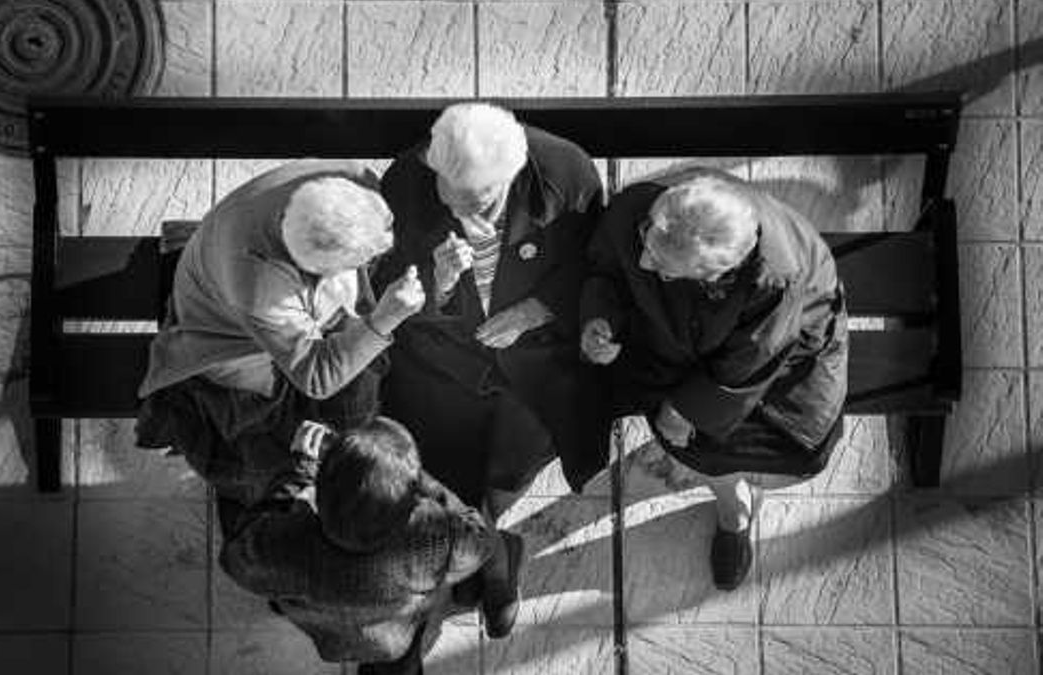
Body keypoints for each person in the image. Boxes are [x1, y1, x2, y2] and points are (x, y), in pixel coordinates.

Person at [580, 168, 848, 590]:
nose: (646, 262)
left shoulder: (773, 275)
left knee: (770, 443)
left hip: (783, 346)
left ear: (716, 275)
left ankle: (734, 514)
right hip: (685, 335)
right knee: (687, 440)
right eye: (647, 245)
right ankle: (730, 506)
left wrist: (688, 408)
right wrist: (599, 316)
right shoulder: (642, 212)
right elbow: (605, 270)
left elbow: (755, 356)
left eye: (664, 269)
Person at [135, 160, 425, 506]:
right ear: (315, 271)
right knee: (261, 453)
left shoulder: (350, 177)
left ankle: (341, 463)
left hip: (256, 294)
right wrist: (383, 321)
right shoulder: (262, 284)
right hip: (229, 347)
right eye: (358, 262)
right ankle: (310, 487)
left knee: (361, 386)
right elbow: (317, 377)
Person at [374, 102, 610, 517]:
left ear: (512, 174)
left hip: (539, 356)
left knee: (518, 462)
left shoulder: (565, 173)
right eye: (449, 198)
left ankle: (492, 519)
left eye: (479, 203)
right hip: (441, 359)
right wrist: (438, 284)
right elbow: (384, 284)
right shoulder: (406, 183)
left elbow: (596, 264)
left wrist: (538, 309)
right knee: (441, 463)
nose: (461, 214)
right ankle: (463, 527)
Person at [220, 418, 520, 674]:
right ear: (411, 498)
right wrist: (423, 483)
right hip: (394, 638)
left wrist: (296, 474)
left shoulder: (282, 546)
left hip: (330, 637)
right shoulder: (436, 535)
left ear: (320, 491)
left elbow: (234, 558)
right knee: (400, 666)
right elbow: (478, 536)